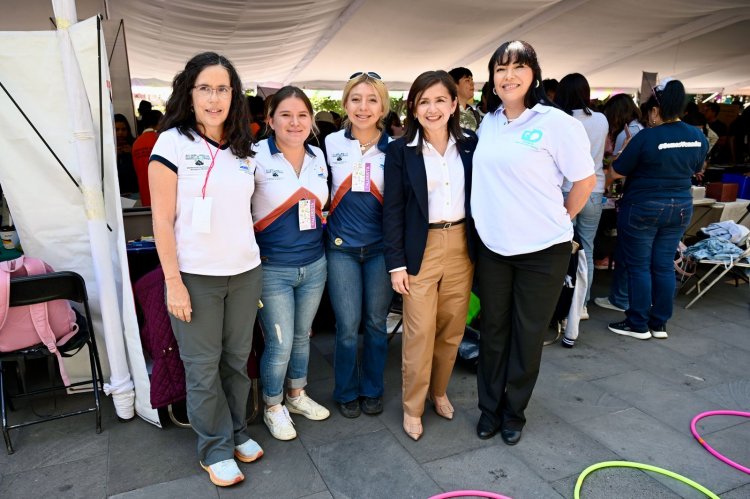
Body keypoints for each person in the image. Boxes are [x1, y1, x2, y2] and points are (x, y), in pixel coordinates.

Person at [471, 41, 595, 444]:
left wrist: (562, 217)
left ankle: (514, 413)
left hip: (543, 252)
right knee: (492, 332)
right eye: (501, 69)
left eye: (518, 67)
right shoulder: (488, 122)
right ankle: (488, 409)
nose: (509, 76)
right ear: (492, 78)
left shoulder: (557, 123)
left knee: (527, 335)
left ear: (534, 74)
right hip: (493, 249)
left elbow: (585, 181)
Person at [149, 52, 263, 487]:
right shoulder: (171, 143)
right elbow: (162, 220)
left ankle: (235, 432)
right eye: (205, 88)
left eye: (222, 89)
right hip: (194, 276)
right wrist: (173, 283)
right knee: (202, 365)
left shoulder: (243, 148)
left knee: (236, 361)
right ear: (189, 93)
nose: (214, 98)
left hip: (244, 270)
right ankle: (213, 448)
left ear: (234, 96)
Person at [383, 70, 476, 441]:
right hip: (420, 249)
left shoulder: (471, 144)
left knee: (452, 329)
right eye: (424, 101)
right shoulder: (399, 150)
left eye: (440, 100)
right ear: (414, 107)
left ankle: (439, 391)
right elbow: (392, 210)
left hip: (462, 244)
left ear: (454, 104)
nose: (432, 108)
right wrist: (396, 264)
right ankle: (413, 406)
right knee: (419, 332)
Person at [252, 86, 330, 441]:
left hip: (314, 264)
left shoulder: (318, 157)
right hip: (272, 268)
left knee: (301, 338)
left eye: (302, 115)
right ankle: (272, 406)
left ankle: (297, 395)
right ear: (270, 120)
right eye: (285, 114)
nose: (295, 122)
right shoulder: (254, 157)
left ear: (311, 120)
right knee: (279, 344)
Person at [607, 79, 708, 340]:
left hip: (644, 206)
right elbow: (698, 168)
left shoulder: (647, 136)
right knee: (663, 265)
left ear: (654, 110)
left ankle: (638, 323)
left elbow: (617, 171)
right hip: (681, 207)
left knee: (639, 266)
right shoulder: (697, 135)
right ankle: (659, 324)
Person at [325, 71, 392, 418]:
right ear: (345, 103)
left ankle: (373, 388)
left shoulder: (394, 149)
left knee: (376, 324)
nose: (363, 107)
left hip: (381, 251)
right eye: (356, 99)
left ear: (383, 105)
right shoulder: (329, 144)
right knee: (348, 327)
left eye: (371, 99)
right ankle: (346, 389)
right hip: (341, 250)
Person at [554, 73, 609, 325]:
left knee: (565, 250)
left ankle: (565, 306)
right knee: (587, 247)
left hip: (568, 189)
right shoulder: (600, 119)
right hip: (595, 190)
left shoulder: (560, 120)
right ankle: (582, 304)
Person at [594, 93, 644, 313]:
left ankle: (621, 299)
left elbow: (618, 169)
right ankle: (636, 301)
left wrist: (606, 178)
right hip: (644, 195)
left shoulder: (627, 134)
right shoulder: (641, 129)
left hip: (632, 196)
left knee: (627, 252)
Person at [131, 109, 162, 206]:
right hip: (162, 197)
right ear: (159, 121)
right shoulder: (160, 139)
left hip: (145, 196)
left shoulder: (136, 143)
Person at [114, 113, 139, 196]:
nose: (120, 133)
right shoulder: (106, 148)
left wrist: (133, 153)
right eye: (116, 130)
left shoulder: (135, 144)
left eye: (123, 129)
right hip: (116, 194)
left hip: (135, 192)